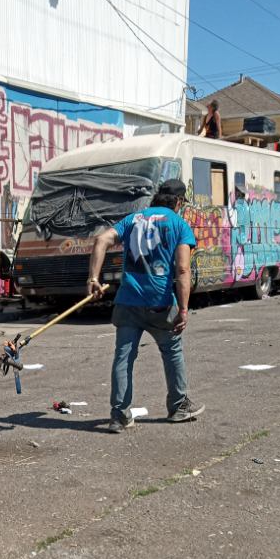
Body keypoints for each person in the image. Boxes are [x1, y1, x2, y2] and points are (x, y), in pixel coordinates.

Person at [87, 178, 204, 432]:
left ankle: (119, 416)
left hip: (128, 301)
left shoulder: (134, 219)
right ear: (179, 202)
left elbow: (101, 240)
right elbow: (183, 269)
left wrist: (94, 278)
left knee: (123, 356)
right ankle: (178, 406)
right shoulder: (179, 224)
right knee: (172, 351)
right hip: (160, 302)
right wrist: (183, 309)